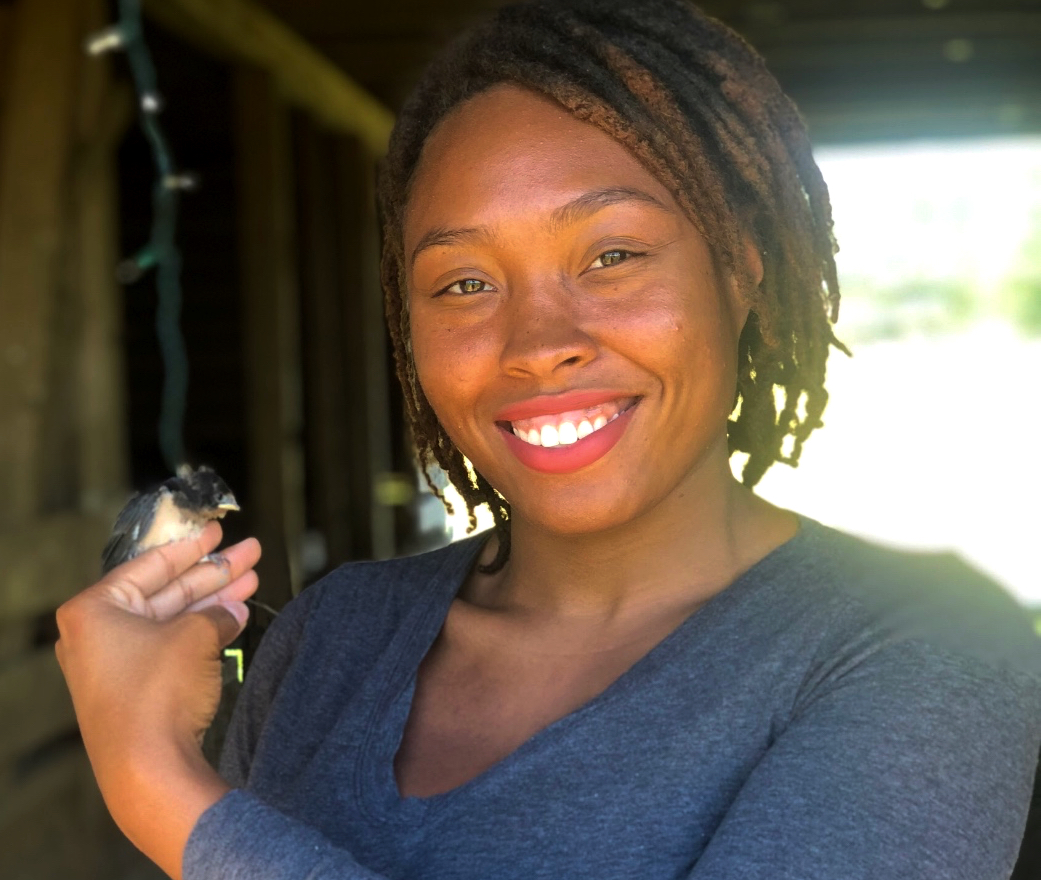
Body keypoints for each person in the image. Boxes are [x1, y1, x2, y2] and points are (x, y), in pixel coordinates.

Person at [54, 1, 1041, 878]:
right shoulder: (330, 637)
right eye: (464, 284)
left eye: (612, 255)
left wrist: (157, 784)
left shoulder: (926, 649)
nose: (536, 346)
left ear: (741, 274)